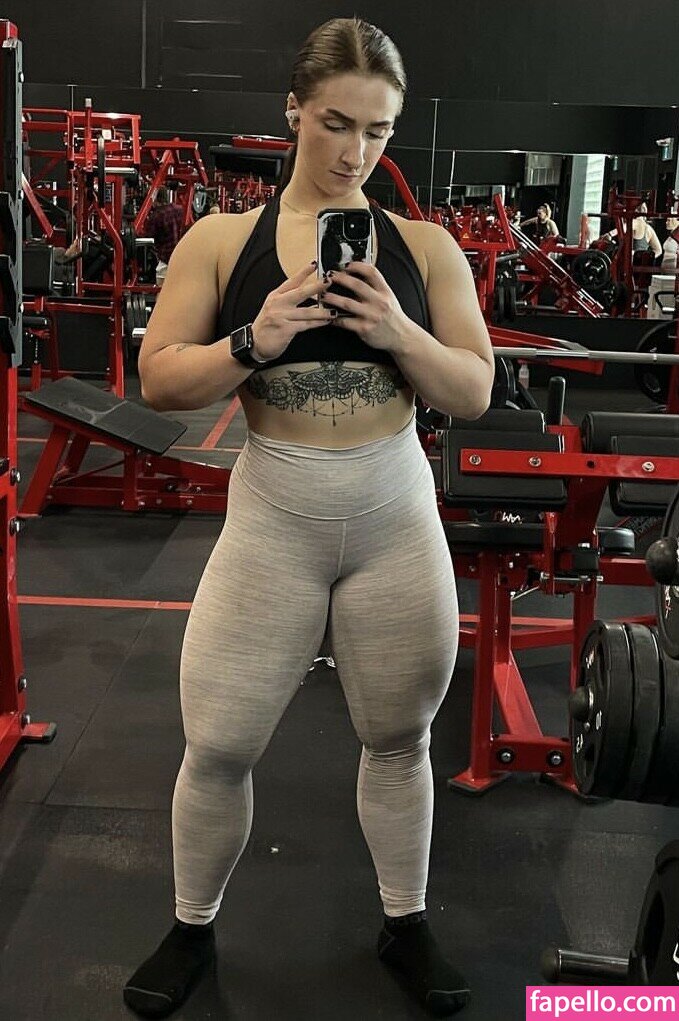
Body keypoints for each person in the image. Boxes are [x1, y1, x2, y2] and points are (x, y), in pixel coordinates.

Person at [123, 17, 493, 1020]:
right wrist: (254, 338)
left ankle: (405, 920)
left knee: (399, 736)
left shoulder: (424, 249)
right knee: (219, 744)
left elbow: (471, 389)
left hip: (391, 515)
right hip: (274, 516)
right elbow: (159, 380)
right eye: (335, 123)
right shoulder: (220, 242)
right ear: (293, 111)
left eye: (376, 131)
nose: (353, 152)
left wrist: (397, 331)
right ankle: (191, 925)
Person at [143, 186, 185, 285]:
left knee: (162, 289)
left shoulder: (156, 215)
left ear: (155, 198)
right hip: (183, 259)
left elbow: (147, 237)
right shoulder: (180, 210)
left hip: (166, 261)